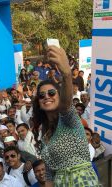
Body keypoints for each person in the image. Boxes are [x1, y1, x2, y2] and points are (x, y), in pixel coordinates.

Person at [32, 46, 100, 186]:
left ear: (60, 96)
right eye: (41, 95)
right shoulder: (44, 135)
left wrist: (67, 74)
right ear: (38, 102)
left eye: (51, 93)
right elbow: (50, 174)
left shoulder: (68, 120)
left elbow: (66, 105)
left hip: (81, 181)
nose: (46, 97)